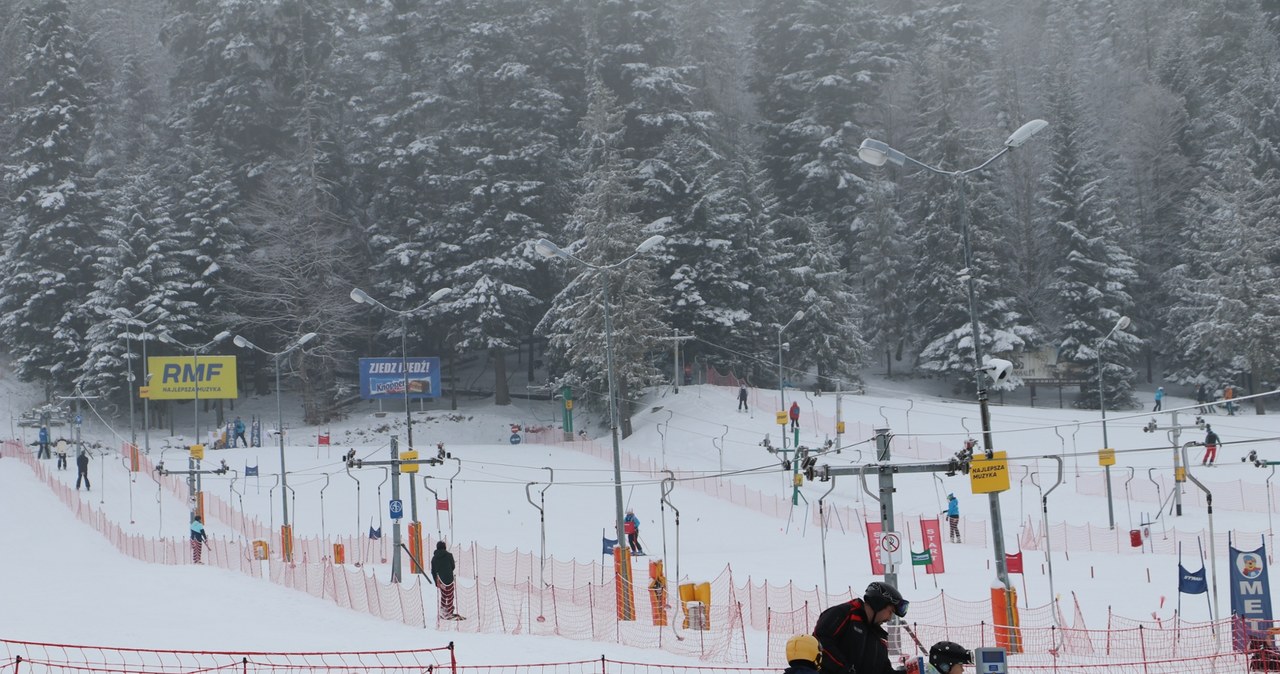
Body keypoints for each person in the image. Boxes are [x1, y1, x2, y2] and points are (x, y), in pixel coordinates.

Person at [813, 581, 906, 674]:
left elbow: (884, 670)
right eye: (890, 612)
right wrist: (844, 669)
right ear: (878, 603)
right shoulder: (845, 614)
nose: (889, 618)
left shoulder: (879, 638)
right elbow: (820, 642)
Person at [430, 541, 462, 620]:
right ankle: (449, 611)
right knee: (450, 595)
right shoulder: (449, 555)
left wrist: (435, 582)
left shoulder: (434, 558)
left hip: (440, 580)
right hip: (449, 579)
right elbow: (453, 566)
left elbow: (433, 571)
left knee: (444, 595)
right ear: (444, 547)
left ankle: (443, 610)